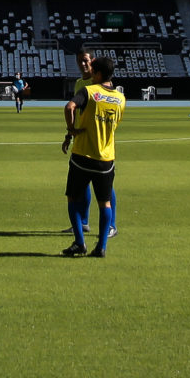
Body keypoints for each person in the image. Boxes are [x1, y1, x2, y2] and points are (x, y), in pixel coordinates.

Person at [62, 55, 126, 258]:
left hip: (82, 155)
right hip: (106, 158)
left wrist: (71, 129)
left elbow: (69, 107)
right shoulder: (120, 98)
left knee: (72, 198)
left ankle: (80, 243)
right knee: (105, 203)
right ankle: (102, 246)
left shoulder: (89, 91)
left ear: (97, 73)